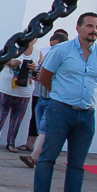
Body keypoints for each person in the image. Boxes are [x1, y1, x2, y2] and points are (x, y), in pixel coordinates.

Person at [29, 12, 97, 192]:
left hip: (86, 115)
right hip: (60, 110)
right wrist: (61, 95)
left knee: (77, 164)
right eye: (90, 26)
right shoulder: (61, 50)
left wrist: (83, 98)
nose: (94, 30)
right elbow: (45, 76)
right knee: (48, 157)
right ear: (78, 27)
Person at [18, 29, 68, 169]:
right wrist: (36, 74)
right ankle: (40, 156)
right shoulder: (48, 57)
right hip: (41, 97)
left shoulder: (65, 61)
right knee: (42, 129)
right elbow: (38, 73)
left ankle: (35, 157)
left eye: (55, 46)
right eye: (51, 46)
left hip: (53, 99)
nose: (52, 49)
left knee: (45, 128)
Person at [0, 41, 36, 149]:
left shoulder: (37, 53)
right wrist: (11, 63)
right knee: (0, 115)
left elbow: (39, 70)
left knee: (17, 118)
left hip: (24, 92)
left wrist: (34, 67)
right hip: (6, 89)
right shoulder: (12, 49)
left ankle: (11, 143)